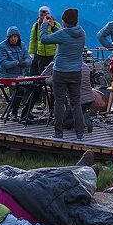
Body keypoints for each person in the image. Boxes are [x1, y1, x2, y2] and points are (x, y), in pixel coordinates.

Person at [41, 9, 86, 140]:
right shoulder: (82, 33)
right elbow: (64, 36)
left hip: (60, 72)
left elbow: (44, 39)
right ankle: (80, 133)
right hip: (76, 72)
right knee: (76, 103)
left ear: (65, 22)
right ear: (76, 21)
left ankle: (58, 133)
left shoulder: (63, 34)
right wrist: (53, 27)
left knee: (59, 101)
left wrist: (44, 25)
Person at [29, 6, 61, 76]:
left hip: (53, 54)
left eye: (45, 15)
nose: (42, 17)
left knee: (53, 74)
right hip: (41, 55)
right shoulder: (36, 25)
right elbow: (33, 40)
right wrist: (31, 53)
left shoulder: (56, 25)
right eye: (41, 15)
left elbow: (61, 38)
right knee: (42, 75)